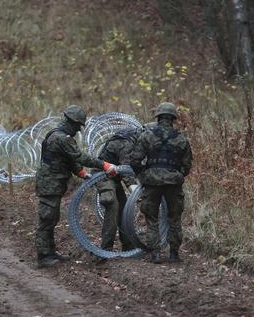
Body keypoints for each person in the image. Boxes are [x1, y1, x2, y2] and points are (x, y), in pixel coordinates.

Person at [35, 105, 117, 268]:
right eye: (78, 126)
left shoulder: (57, 135)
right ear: (71, 123)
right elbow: (79, 156)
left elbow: (68, 160)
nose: (78, 130)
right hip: (49, 185)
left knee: (52, 218)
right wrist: (105, 165)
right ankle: (44, 256)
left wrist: (81, 173)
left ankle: (50, 252)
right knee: (47, 219)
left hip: (52, 184)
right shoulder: (62, 138)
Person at [130, 102, 193, 264]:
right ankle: (174, 254)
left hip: (152, 182)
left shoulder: (147, 136)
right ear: (173, 118)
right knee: (174, 217)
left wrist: (144, 175)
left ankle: (155, 254)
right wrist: (176, 174)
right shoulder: (181, 138)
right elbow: (187, 166)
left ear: (157, 117)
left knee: (151, 218)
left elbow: (135, 160)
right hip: (174, 182)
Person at [96, 127, 141, 252]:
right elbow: (126, 171)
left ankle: (128, 247)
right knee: (112, 205)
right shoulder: (126, 144)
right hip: (102, 175)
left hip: (113, 177)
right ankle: (105, 250)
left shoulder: (134, 139)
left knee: (124, 208)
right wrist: (137, 192)